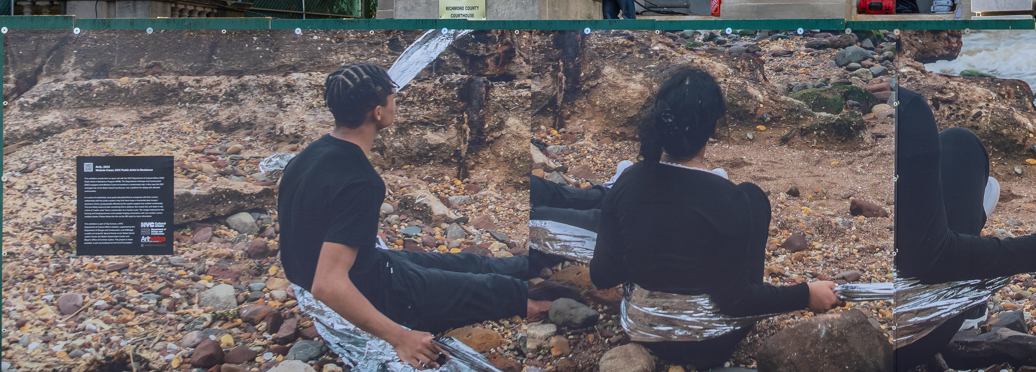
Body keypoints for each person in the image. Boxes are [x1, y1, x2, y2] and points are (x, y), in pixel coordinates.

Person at [280, 63, 558, 369]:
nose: (394, 103)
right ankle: (566, 302)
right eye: (392, 97)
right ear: (377, 112)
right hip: (381, 295)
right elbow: (327, 284)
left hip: (371, 268)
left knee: (472, 263)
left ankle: (548, 257)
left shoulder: (308, 155)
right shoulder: (361, 181)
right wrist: (401, 337)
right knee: (498, 289)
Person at [589, 67, 840, 367]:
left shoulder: (627, 182)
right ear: (715, 126)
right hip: (711, 343)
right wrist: (805, 294)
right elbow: (736, 301)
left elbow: (602, 274)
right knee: (753, 196)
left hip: (641, 332)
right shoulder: (728, 198)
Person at [891, 87, 1036, 371]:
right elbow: (932, 260)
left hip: (850, 308)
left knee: (956, 143)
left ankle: (960, 221)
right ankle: (969, 299)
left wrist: (805, 296)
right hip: (909, 335)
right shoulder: (907, 107)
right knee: (962, 146)